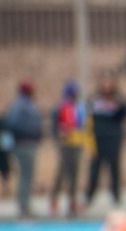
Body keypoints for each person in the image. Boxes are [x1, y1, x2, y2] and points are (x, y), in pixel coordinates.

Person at [85, 75, 126, 208]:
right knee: (94, 169)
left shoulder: (117, 102)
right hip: (98, 140)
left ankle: (115, 196)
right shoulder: (95, 102)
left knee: (114, 170)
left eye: (109, 86)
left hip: (113, 140)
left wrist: (118, 99)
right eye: (104, 86)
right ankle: (89, 195)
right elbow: (85, 111)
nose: (107, 89)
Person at [3, 79, 43, 218]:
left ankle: (25, 204)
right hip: (23, 143)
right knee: (25, 175)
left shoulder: (27, 104)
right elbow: (12, 123)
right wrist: (26, 133)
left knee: (28, 175)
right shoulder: (19, 105)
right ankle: (23, 206)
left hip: (29, 143)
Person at [49, 79, 88, 217]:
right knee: (63, 172)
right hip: (65, 144)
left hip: (76, 143)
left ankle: (72, 201)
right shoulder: (61, 107)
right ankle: (54, 197)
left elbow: (82, 125)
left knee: (74, 173)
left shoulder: (79, 107)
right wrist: (58, 137)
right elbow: (55, 127)